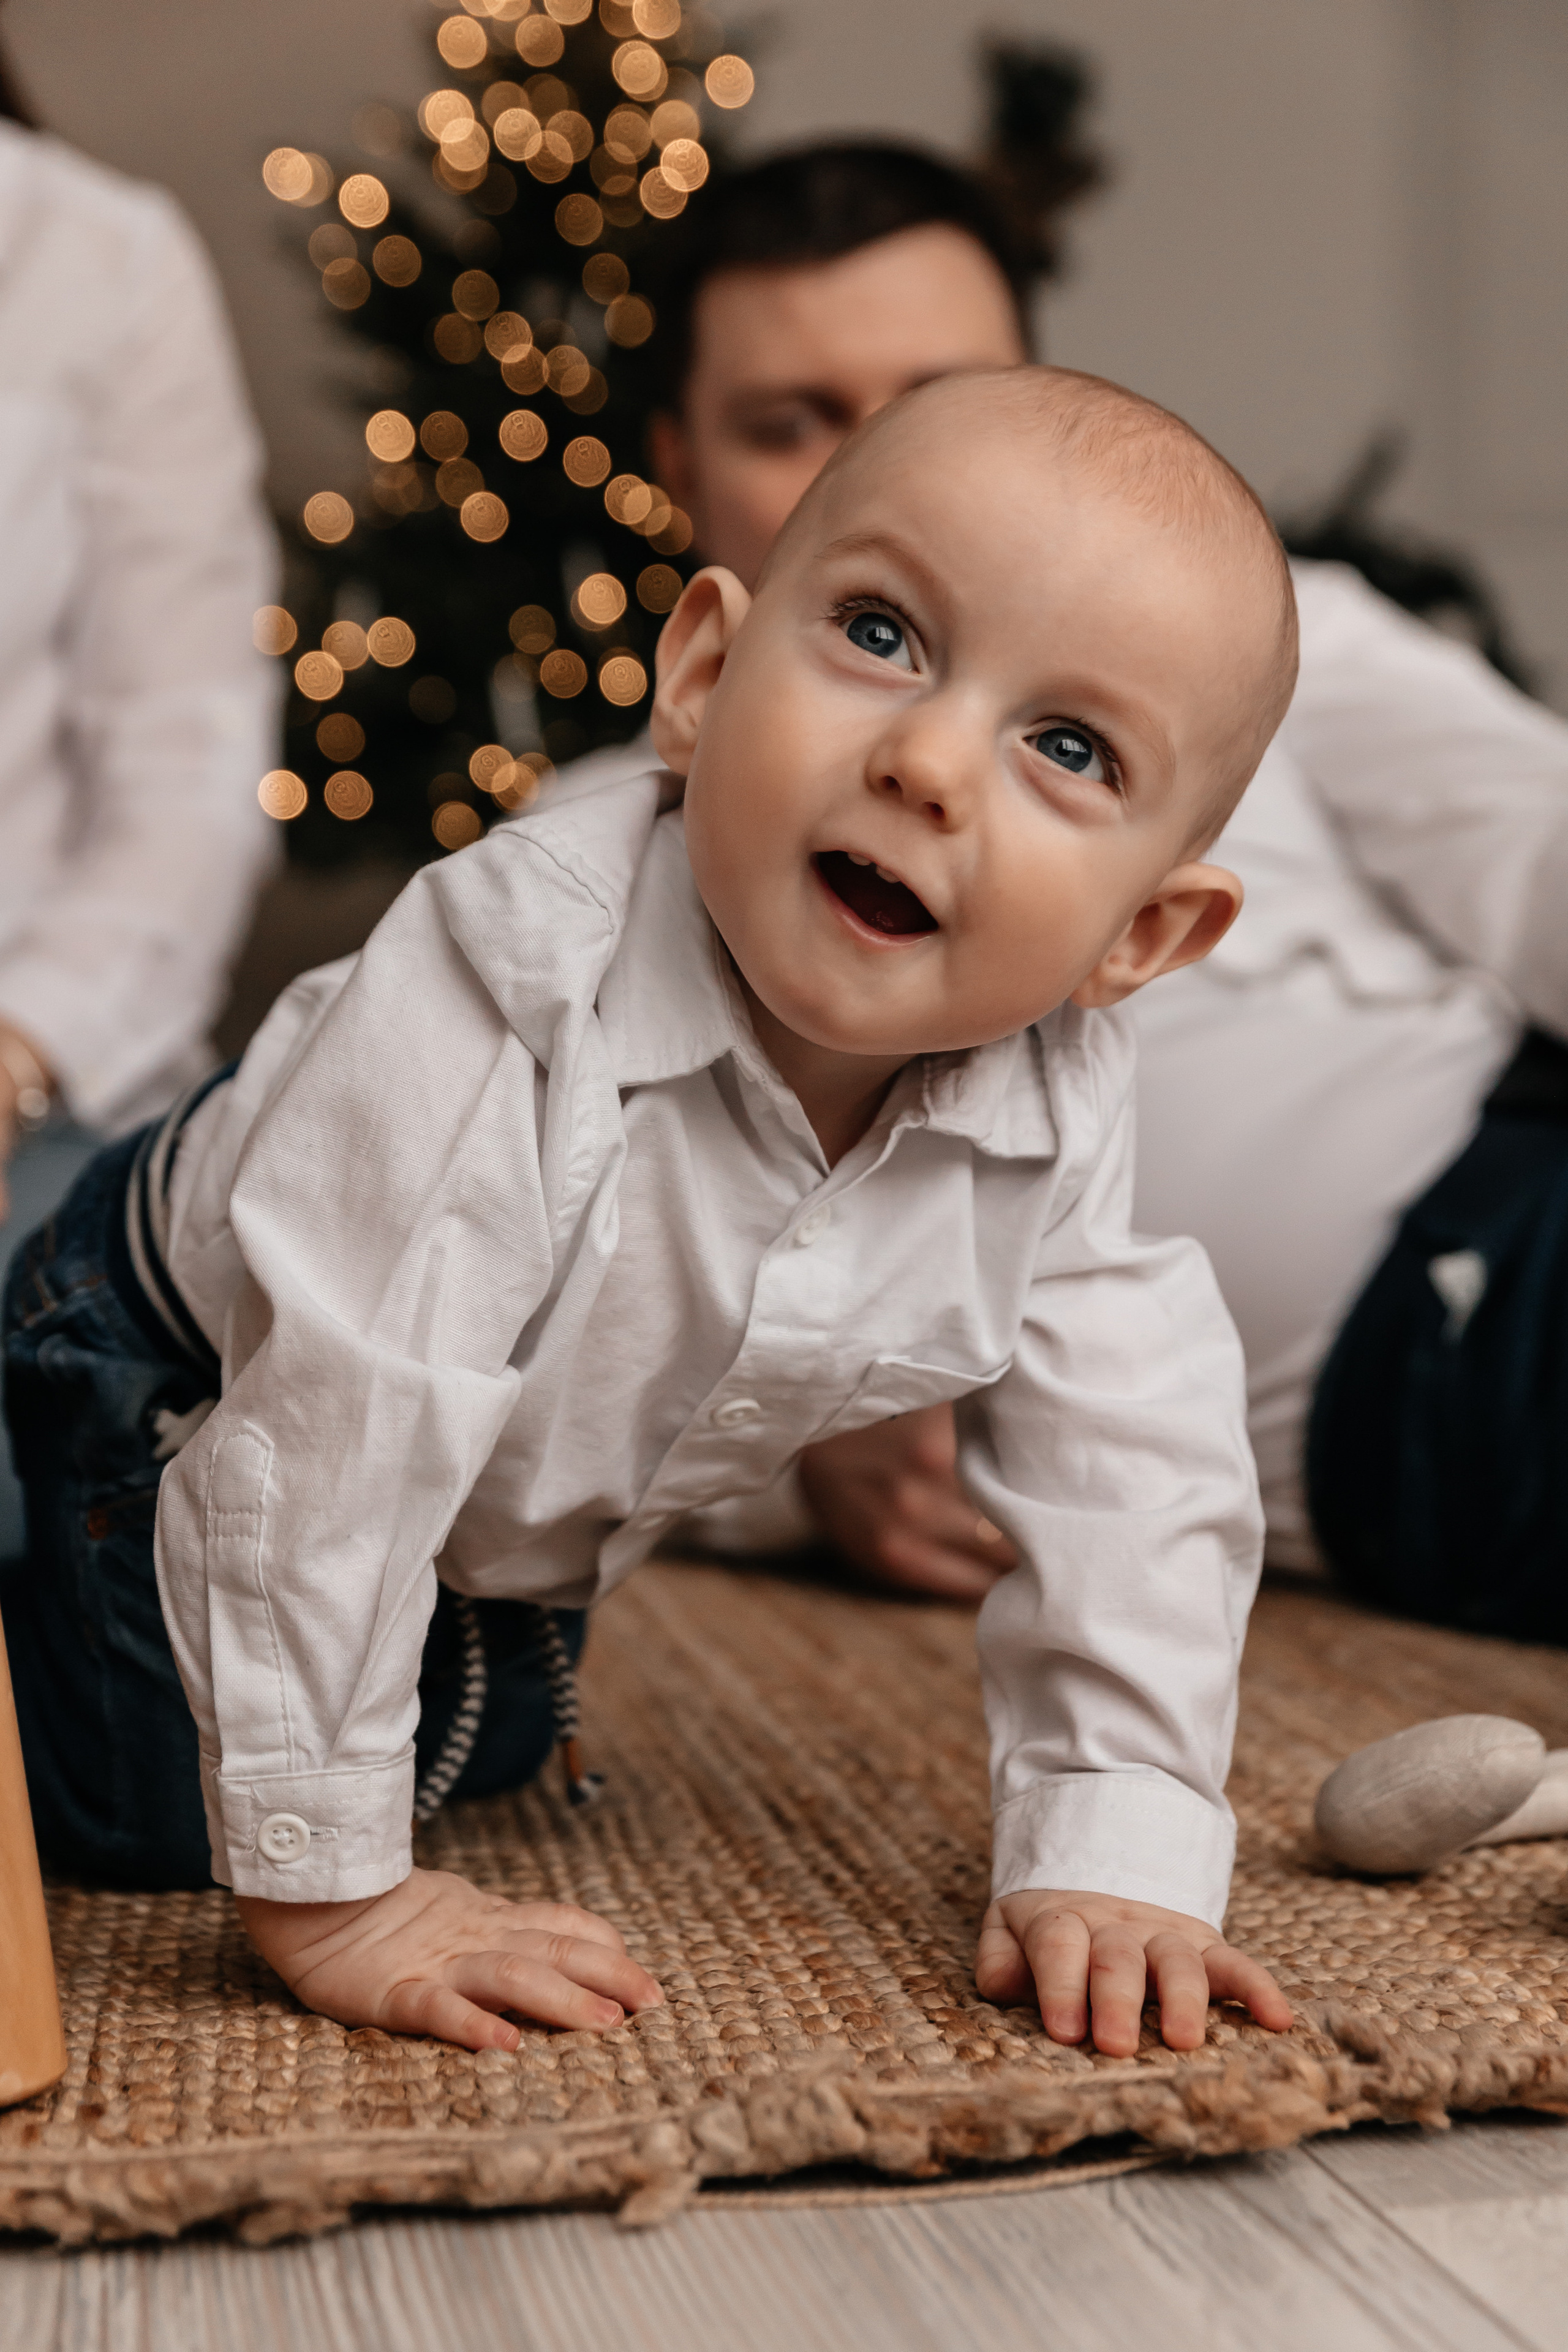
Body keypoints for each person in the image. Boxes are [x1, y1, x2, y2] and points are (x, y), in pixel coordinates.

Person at [4, 366, 1298, 2060]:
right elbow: (344, 1416)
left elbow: (1136, 1451)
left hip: (517, 1467)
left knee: (475, 1740)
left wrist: (1122, 1842)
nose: (923, 761)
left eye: (1066, 747)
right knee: (176, 1822)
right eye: (884, 638)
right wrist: (335, 1895)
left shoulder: (1054, 1093)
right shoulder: (506, 986)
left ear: (1139, 941)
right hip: (178, 1359)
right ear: (701, 672)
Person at [562, 140, 1568, 1634]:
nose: (870, 457)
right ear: (679, 467)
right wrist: (792, 1463)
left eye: (933, 398)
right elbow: (507, 1313)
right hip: (1437, 1338)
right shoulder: (583, 851)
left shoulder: (1276, 634)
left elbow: (1538, 847)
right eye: (789, 423)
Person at [0, 78, 280, 1556]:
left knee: (77, 1409)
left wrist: (18, 1049)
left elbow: (186, 776)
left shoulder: (99, 262)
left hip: (39, 1087)